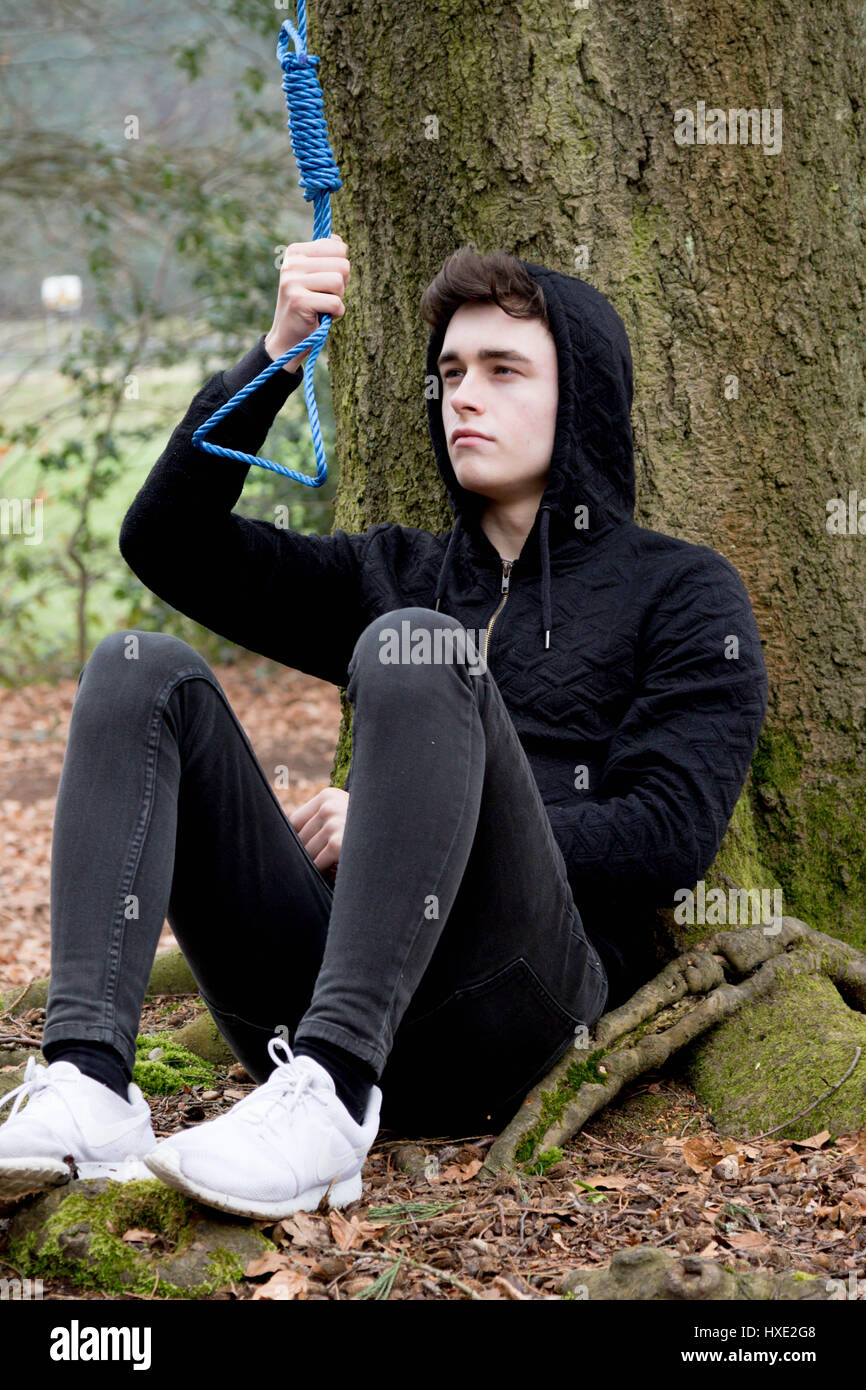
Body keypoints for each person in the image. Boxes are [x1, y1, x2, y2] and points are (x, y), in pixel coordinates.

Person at [0, 237, 768, 1220]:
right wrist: (275, 357)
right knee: (137, 669)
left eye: (502, 370)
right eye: (449, 372)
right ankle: (90, 1086)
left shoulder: (680, 591)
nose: (464, 396)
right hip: (309, 990)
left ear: (578, 398)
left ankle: (334, 1098)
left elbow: (665, 837)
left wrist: (396, 821)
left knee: (413, 646)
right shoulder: (394, 570)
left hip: (516, 1010)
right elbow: (166, 543)